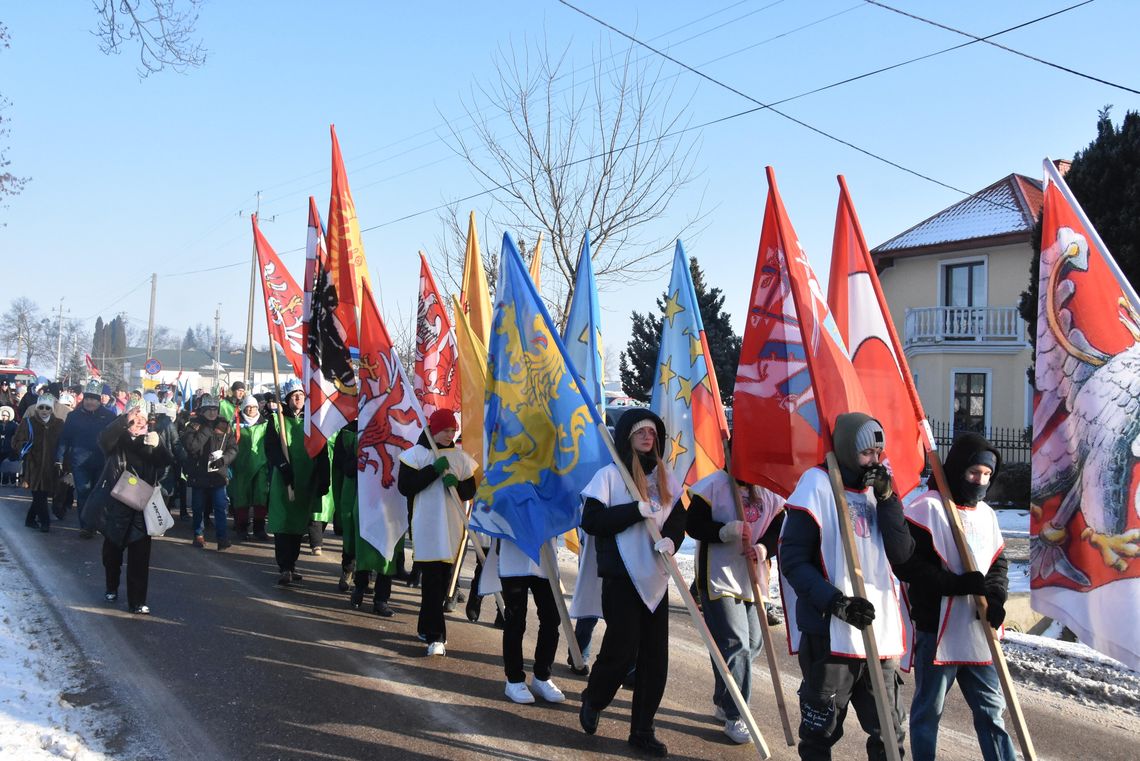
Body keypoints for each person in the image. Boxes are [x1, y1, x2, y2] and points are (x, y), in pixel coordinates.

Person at [779, 412, 912, 761]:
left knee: (889, 730)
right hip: (831, 634)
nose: (874, 461)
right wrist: (836, 602)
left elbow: (902, 555)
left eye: (878, 453)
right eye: (866, 453)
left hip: (878, 633)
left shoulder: (879, 492)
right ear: (848, 449)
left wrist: (888, 499)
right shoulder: (817, 484)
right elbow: (793, 560)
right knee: (821, 731)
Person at [895, 433, 1015, 761]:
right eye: (974, 472)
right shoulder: (926, 509)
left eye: (987, 474)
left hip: (978, 631)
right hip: (938, 629)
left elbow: (997, 564)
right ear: (959, 468)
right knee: (928, 713)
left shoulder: (987, 515)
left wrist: (996, 597)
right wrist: (957, 585)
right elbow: (911, 568)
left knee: (992, 712)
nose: (981, 480)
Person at [578, 409, 685, 758]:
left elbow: (677, 520)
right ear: (627, 436)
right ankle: (595, 697)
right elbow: (592, 521)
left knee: (655, 658)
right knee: (621, 649)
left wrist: (671, 540)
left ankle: (642, 730)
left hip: (656, 576)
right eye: (640, 432)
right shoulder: (610, 476)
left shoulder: (666, 478)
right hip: (622, 574)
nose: (647, 437)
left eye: (652, 432)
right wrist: (632, 512)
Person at [686, 470, 785, 744]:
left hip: (751, 577)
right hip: (719, 576)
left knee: (752, 645)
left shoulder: (766, 488)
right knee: (736, 644)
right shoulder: (713, 486)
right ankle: (736, 714)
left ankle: (723, 697)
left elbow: (780, 525)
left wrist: (764, 548)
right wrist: (724, 531)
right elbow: (692, 525)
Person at [397, 408, 477, 657]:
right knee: (431, 584)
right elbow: (405, 487)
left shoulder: (461, 458)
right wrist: (432, 471)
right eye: (445, 430)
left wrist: (458, 483)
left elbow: (469, 491)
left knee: (443, 585)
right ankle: (436, 637)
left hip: (452, 529)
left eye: (453, 430)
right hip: (427, 527)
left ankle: (425, 626)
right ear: (433, 429)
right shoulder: (416, 455)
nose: (449, 434)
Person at [95, 402, 173, 614]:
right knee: (112, 554)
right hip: (116, 505)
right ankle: (111, 587)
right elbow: (103, 438)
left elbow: (166, 462)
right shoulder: (117, 441)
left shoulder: (150, 440)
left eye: (143, 419)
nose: (139, 423)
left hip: (141, 506)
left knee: (140, 557)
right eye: (135, 419)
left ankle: (137, 601)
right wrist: (123, 420)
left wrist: (159, 446)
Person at [482, 535, 565, 704]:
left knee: (551, 619)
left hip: (544, 555)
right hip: (514, 554)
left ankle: (542, 676)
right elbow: (487, 509)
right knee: (516, 619)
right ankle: (514, 679)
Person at [264, 380, 330, 586]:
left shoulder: (314, 421)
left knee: (298, 526)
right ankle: (284, 567)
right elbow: (271, 447)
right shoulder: (277, 420)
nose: (298, 398)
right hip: (284, 479)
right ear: (287, 398)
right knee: (283, 524)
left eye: (301, 394)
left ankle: (291, 565)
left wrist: (323, 478)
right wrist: (283, 466)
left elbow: (322, 452)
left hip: (305, 480)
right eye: (294, 395)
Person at [334, 421, 402, 616]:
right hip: (366, 503)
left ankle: (381, 599)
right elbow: (346, 468)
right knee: (364, 546)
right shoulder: (361, 437)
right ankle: (360, 587)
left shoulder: (401, 437)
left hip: (390, 505)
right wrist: (360, 460)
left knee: (387, 552)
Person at [57, 380, 117, 538]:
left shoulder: (109, 416)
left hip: (101, 462)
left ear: (99, 400)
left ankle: (96, 521)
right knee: (83, 492)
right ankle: (86, 526)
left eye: (94, 399)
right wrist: (59, 458)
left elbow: (116, 439)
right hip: (80, 462)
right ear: (84, 399)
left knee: (98, 494)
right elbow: (64, 438)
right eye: (88, 399)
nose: (90, 402)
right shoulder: (73, 416)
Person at [179, 394, 238, 550]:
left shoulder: (225, 424)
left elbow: (233, 448)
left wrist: (225, 459)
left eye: (215, 409)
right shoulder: (193, 425)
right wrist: (207, 429)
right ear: (203, 410)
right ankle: (198, 534)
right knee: (198, 506)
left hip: (218, 473)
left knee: (220, 506)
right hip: (199, 473)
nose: (212, 412)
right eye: (209, 409)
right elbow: (192, 446)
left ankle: (222, 538)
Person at [11, 395, 64, 531]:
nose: (44, 410)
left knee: (43, 494)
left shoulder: (58, 424)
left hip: (50, 466)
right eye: (41, 407)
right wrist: (25, 448)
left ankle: (30, 520)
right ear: (37, 408)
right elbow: (16, 441)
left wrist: (62, 462)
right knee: (38, 496)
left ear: (52, 409)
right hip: (32, 466)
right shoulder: (28, 422)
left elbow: (63, 444)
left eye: (47, 408)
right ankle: (45, 523)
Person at [229, 395, 270, 541]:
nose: (251, 409)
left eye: (253, 406)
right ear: (244, 408)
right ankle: (241, 528)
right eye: (248, 407)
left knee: (260, 497)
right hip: (241, 468)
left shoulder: (265, 424)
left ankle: (259, 528)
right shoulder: (235, 424)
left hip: (261, 467)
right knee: (242, 498)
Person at [0, 405, 18, 486]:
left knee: (9, 465)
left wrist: (14, 445)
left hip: (9, 447)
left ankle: (12, 481)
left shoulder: (14, 425)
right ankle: (3, 481)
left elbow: (17, 435)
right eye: (3, 415)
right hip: (0, 447)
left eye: (6, 415)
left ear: (9, 416)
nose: (4, 417)